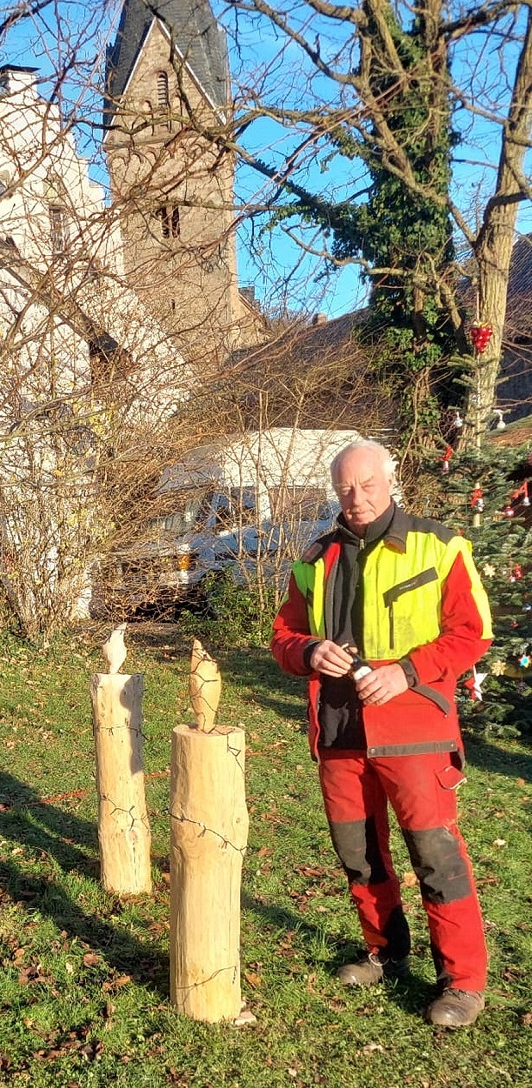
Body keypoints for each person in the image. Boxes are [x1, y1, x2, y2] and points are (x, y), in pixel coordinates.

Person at [271, 439, 492, 1028]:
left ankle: (463, 983)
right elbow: (283, 635)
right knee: (359, 854)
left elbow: (473, 634)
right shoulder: (315, 556)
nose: (357, 497)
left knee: (436, 855)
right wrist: (310, 650)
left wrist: (408, 672)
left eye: (368, 485)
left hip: (415, 730)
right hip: (340, 732)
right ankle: (386, 950)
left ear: (391, 481)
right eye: (345, 488)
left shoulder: (440, 545)